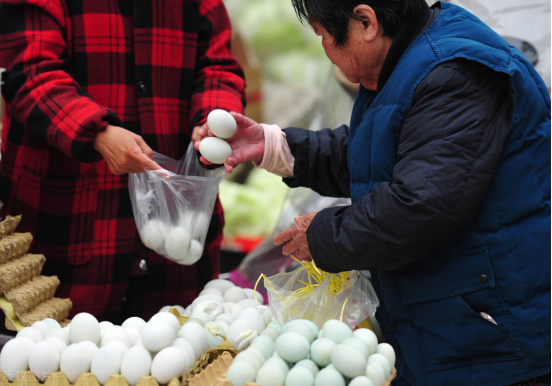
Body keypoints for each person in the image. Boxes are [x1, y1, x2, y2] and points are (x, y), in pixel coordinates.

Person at [196, 1, 551, 385]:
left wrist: (319, 235)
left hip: (492, 339)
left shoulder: (454, 74)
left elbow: (420, 206)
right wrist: (275, 147)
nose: (326, 50)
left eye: (326, 36)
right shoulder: (409, 60)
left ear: (365, 22)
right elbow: (377, 153)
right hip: (459, 328)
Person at [0, 0, 245, 323]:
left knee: (176, 347)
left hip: (177, 229)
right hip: (70, 222)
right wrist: (96, 133)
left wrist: (214, 119)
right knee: (60, 359)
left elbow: (217, 66)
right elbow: (30, 72)